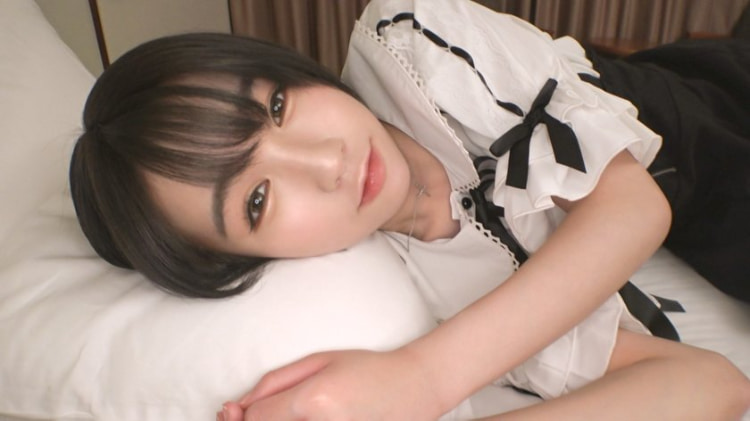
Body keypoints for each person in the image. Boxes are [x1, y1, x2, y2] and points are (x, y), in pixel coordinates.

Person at [69, 0, 750, 419]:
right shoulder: (429, 289)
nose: (327, 161)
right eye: (257, 199)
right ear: (241, 261)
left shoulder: (411, 35)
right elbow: (711, 383)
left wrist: (423, 378)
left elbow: (633, 206)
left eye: (276, 105)